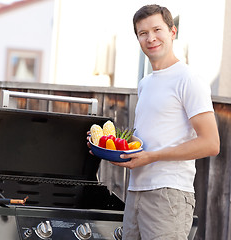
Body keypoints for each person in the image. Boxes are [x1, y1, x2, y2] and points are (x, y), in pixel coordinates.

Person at [89, 4, 220, 240]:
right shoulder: (145, 83)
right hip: (136, 191)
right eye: (143, 33)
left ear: (172, 32)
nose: (151, 38)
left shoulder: (189, 79)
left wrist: (153, 157)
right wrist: (109, 146)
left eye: (157, 30)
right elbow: (144, 142)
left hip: (168, 195)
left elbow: (211, 143)